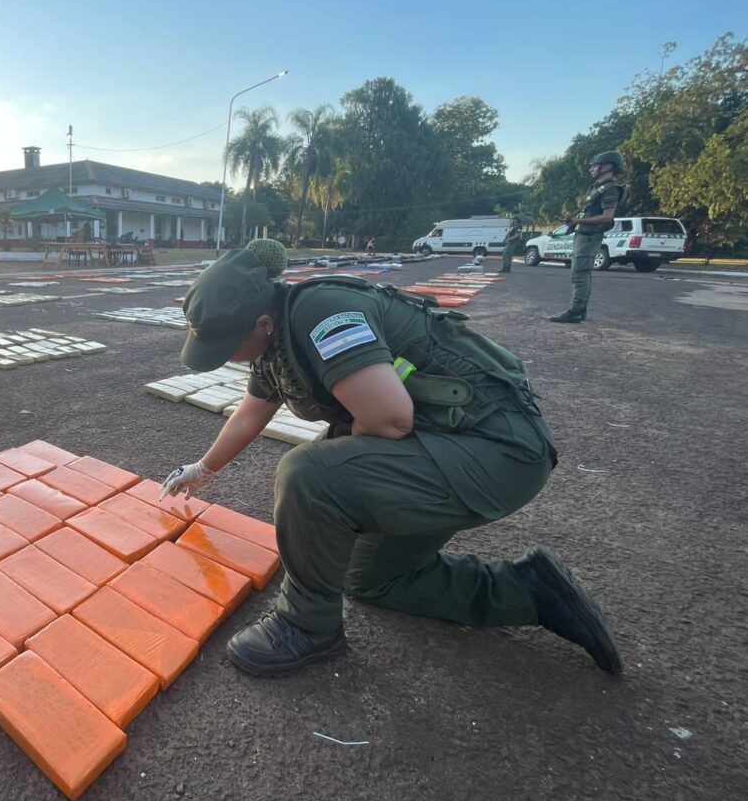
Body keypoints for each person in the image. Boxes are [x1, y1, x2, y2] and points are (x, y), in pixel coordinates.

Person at [161, 239, 622, 678]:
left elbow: (390, 420)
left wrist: (343, 486)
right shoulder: (272, 337)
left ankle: (306, 626)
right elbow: (249, 414)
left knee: (310, 474)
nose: (227, 360)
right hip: (440, 444)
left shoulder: (322, 313)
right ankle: (531, 590)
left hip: (496, 450)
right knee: (373, 580)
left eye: (226, 348)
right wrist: (203, 470)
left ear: (260, 322)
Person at [550, 152, 625, 323]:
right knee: (578, 272)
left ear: (607, 166)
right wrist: (575, 221)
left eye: (594, 165)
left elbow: (607, 216)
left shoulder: (610, 189)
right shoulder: (597, 188)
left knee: (580, 273)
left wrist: (578, 220)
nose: (591, 169)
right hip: (583, 234)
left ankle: (576, 310)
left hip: (590, 236)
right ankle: (578, 310)